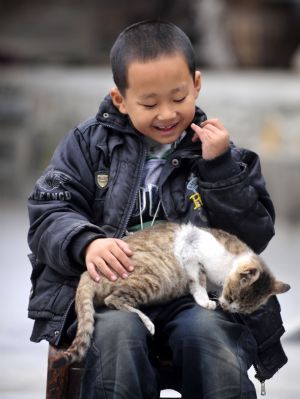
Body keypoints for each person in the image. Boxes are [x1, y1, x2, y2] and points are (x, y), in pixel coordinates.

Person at [27, 20, 287, 398]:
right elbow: (49, 210)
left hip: (194, 297)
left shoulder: (222, 156)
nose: (166, 114)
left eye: (179, 98)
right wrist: (86, 244)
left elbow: (253, 240)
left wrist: (219, 172)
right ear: (120, 99)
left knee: (210, 338)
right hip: (114, 294)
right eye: (149, 103)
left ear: (196, 85)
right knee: (116, 339)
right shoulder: (86, 146)